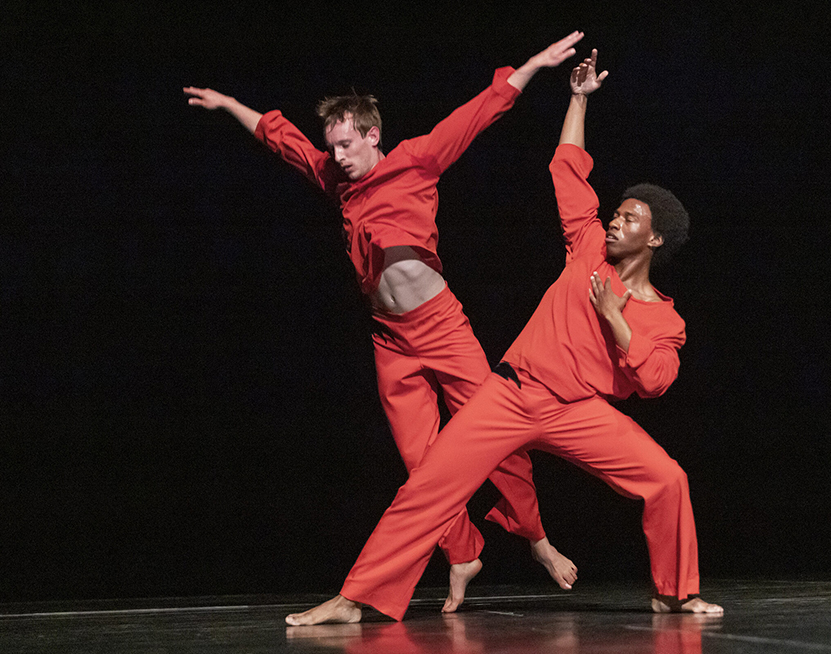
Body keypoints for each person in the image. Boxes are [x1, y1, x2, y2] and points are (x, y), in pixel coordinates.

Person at [284, 49, 723, 625]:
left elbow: (655, 380)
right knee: (428, 489)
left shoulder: (666, 319)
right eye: (616, 212)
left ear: (656, 241)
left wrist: (616, 318)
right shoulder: (587, 245)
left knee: (667, 478)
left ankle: (674, 592)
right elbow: (567, 165)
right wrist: (578, 98)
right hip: (510, 394)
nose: (616, 220)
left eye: (631, 218)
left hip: (579, 412)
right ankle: (355, 598)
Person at [183, 33, 587, 612]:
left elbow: (475, 115)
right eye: (333, 146)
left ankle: (538, 541)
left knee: (500, 441)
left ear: (373, 135)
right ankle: (464, 554)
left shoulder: (416, 160)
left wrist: (532, 67)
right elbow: (282, 138)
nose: (338, 155)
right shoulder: (333, 178)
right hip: (390, 339)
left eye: (347, 144)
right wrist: (228, 104)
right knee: (423, 466)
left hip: (443, 328)